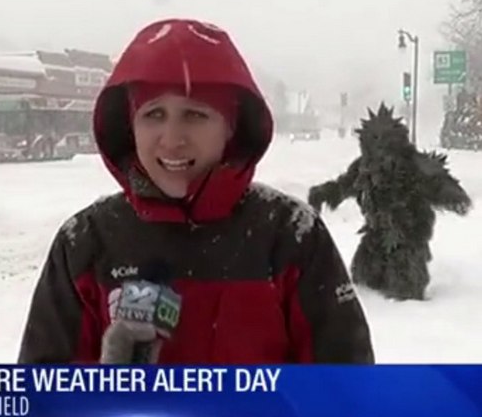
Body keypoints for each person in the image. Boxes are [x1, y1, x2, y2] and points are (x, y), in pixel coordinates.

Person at [18, 19, 374, 364]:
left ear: (230, 128)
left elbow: (345, 390)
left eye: (195, 115)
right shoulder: (84, 244)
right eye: (154, 114)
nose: (172, 140)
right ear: (130, 126)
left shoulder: (292, 237)